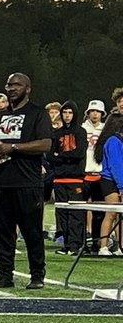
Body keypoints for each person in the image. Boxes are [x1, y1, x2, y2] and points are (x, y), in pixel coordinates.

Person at [0, 73, 52, 289]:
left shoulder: (38, 114)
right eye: (9, 85)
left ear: (28, 88)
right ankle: (5, 275)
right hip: (2, 182)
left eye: (17, 85)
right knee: (3, 233)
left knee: (32, 231)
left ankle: (37, 275)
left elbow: (46, 144)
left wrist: (13, 147)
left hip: (28, 182)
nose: (12, 88)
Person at [50, 101, 87, 256]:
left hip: (75, 179)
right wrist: (65, 158)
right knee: (63, 213)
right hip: (59, 179)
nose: (67, 116)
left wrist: (62, 156)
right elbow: (50, 155)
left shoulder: (80, 132)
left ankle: (76, 244)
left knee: (75, 213)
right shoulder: (57, 134)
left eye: (70, 112)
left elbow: (79, 154)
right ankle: (66, 244)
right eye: (65, 112)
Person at [94, 111, 123, 254]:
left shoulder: (118, 140)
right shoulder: (113, 141)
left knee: (120, 215)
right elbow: (115, 166)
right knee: (111, 213)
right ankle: (103, 246)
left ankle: (119, 246)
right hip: (109, 180)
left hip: (117, 180)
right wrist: (121, 186)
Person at [82, 99, 106, 251]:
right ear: (88, 113)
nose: (95, 114)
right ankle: (82, 241)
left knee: (99, 212)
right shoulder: (82, 129)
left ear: (102, 114)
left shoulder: (105, 130)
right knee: (82, 211)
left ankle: (97, 241)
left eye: (98, 111)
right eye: (92, 111)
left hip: (100, 173)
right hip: (84, 173)